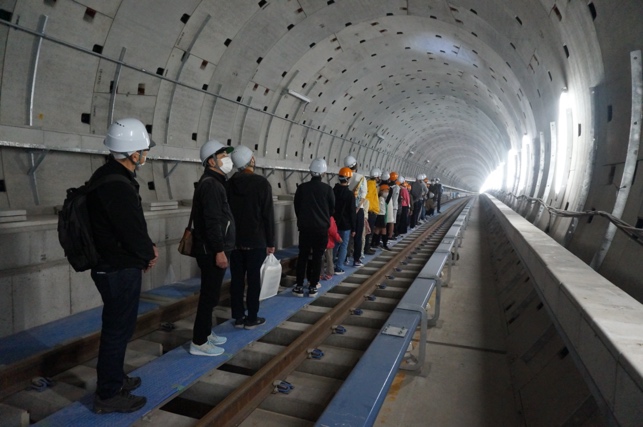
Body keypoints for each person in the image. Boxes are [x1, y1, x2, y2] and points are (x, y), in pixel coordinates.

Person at [88, 118, 158, 413]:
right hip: (118, 267)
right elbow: (130, 230)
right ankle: (108, 394)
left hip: (112, 264)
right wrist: (148, 253)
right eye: (143, 150)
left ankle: (115, 379)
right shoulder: (118, 185)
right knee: (117, 330)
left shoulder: (107, 176)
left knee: (120, 326)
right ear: (132, 154)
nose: (145, 154)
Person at [190, 139, 235, 356]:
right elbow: (212, 222)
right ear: (211, 161)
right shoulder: (210, 185)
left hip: (212, 249)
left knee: (212, 294)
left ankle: (206, 333)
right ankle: (199, 342)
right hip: (211, 251)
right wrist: (219, 250)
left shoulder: (214, 182)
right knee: (209, 295)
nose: (227, 159)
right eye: (223, 156)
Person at [227, 145, 275, 330]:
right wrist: (270, 242)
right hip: (256, 241)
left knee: (237, 280)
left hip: (234, 242)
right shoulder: (262, 183)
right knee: (254, 280)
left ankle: (238, 317)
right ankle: (252, 317)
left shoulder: (228, 184)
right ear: (251, 161)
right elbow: (267, 215)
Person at [293, 158, 335, 297]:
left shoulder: (302, 188)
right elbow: (332, 210)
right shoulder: (328, 189)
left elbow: (297, 207)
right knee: (318, 257)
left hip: (305, 228)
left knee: (303, 256)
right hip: (321, 229)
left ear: (310, 172)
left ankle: (299, 285)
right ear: (323, 173)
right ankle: (313, 286)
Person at [344, 155, 367, 267]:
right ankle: (356, 259)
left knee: (346, 235)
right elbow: (363, 195)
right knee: (357, 236)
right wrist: (357, 209)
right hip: (358, 210)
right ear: (356, 165)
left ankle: (344, 258)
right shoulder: (361, 177)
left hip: (346, 210)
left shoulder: (344, 176)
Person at [332, 167, 356, 274]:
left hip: (334, 223)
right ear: (348, 179)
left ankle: (330, 264)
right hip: (345, 224)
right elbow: (352, 212)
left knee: (334, 244)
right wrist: (354, 227)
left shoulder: (333, 191)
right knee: (344, 245)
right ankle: (339, 267)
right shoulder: (350, 194)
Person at [364, 167, 381, 254]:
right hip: (371, 212)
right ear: (377, 177)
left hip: (371, 211)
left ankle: (367, 247)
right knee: (368, 232)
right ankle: (366, 248)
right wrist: (371, 210)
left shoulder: (371, 184)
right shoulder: (371, 185)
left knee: (368, 232)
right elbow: (368, 198)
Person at [324, 216, 342, 280]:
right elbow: (333, 231)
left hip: (319, 242)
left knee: (320, 259)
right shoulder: (330, 218)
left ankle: (319, 274)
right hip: (328, 242)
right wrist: (338, 238)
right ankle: (330, 273)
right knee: (329, 259)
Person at [375, 184, 391, 250]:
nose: (387, 192)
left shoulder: (382, 198)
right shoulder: (381, 199)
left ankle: (374, 243)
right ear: (382, 191)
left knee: (377, 230)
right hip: (380, 215)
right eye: (386, 191)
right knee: (383, 230)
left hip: (381, 215)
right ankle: (384, 244)